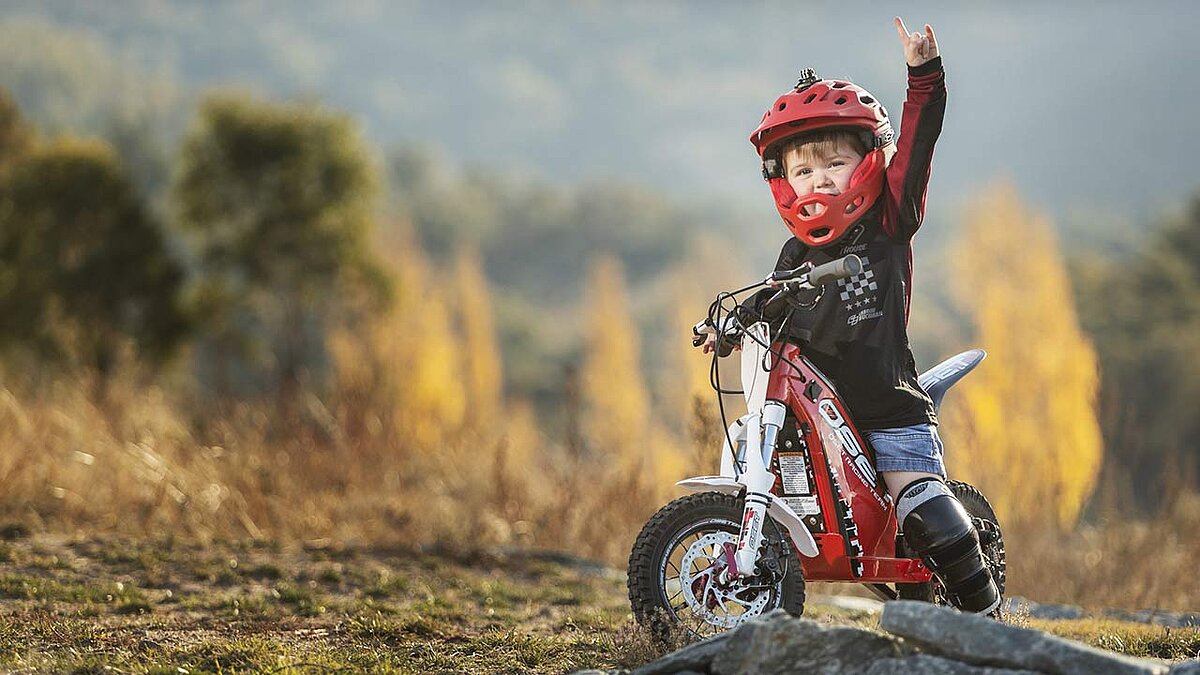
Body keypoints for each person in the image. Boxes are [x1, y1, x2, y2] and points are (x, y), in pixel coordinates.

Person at [702, 17, 1000, 615]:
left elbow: (917, 147)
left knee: (921, 508)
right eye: (802, 171)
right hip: (810, 408)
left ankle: (986, 609)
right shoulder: (797, 252)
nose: (818, 179)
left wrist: (923, 78)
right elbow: (767, 297)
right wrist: (727, 326)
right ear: (781, 182)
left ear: (868, 162)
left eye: (832, 165)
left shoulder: (889, 222)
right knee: (745, 454)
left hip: (883, 410)